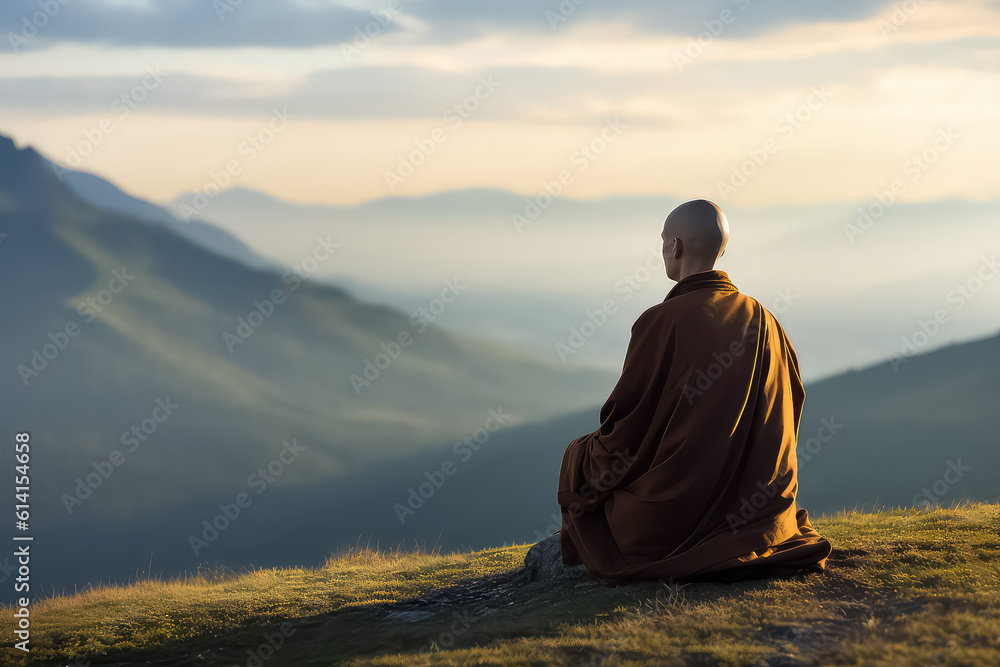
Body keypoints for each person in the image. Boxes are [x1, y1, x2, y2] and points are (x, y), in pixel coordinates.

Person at [557, 199, 831, 581]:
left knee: (579, 455)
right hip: (761, 517)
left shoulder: (660, 322)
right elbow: (787, 412)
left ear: (676, 247)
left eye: (664, 241)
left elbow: (626, 435)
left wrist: (579, 458)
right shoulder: (766, 321)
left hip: (670, 524)